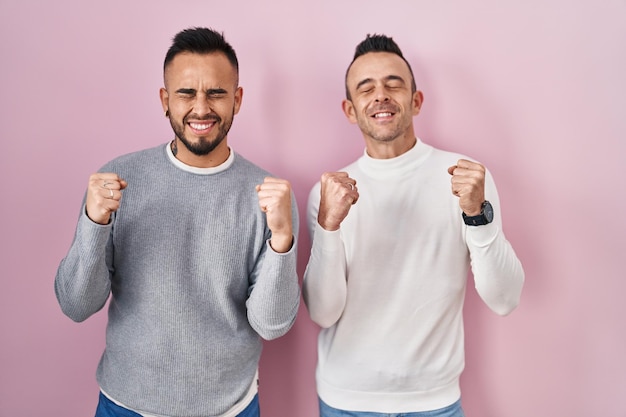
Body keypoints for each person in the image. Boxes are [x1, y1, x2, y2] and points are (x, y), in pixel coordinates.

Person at [54, 27, 300, 417]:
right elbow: (76, 304)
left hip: (231, 408)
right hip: (126, 405)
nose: (201, 108)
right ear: (165, 100)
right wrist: (92, 223)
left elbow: (272, 325)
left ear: (237, 100)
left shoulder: (269, 196)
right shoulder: (116, 180)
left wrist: (282, 239)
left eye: (216, 93)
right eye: (186, 93)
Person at [302, 34, 525, 417]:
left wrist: (477, 214)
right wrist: (329, 227)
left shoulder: (465, 178)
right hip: (345, 401)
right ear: (351, 110)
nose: (381, 95)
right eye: (366, 87)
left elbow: (504, 299)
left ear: (416, 101)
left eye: (394, 83)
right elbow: (323, 313)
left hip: (435, 402)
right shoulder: (328, 194)